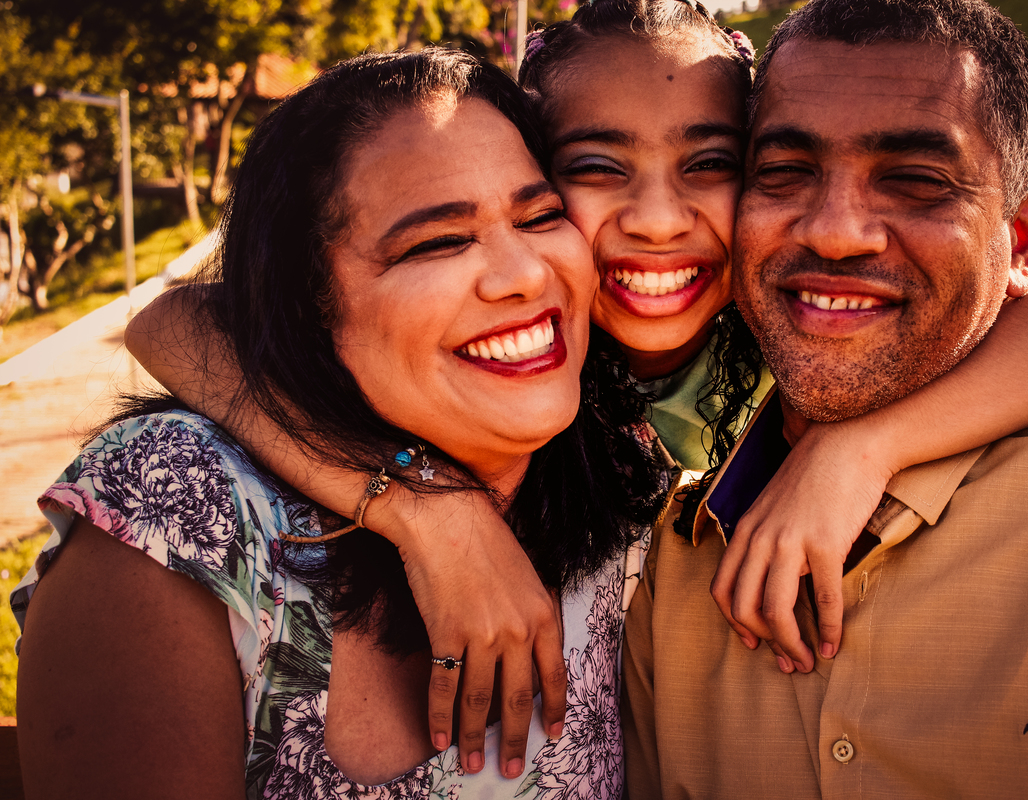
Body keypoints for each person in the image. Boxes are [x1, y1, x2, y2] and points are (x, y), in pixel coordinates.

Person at [127, 0, 1028, 767]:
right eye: (593, 170)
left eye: (712, 162)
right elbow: (176, 321)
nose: (654, 218)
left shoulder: (769, 333)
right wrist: (429, 512)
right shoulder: (508, 364)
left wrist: (858, 446)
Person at [11, 48, 666, 798]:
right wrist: (431, 512)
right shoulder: (185, 514)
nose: (523, 273)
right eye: (437, 241)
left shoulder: (618, 486)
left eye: (540, 215)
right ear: (312, 309)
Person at [620, 0, 1028, 796]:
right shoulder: (667, 568)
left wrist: (860, 445)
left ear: (1022, 239)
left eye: (917, 181)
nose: (836, 233)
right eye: (785, 172)